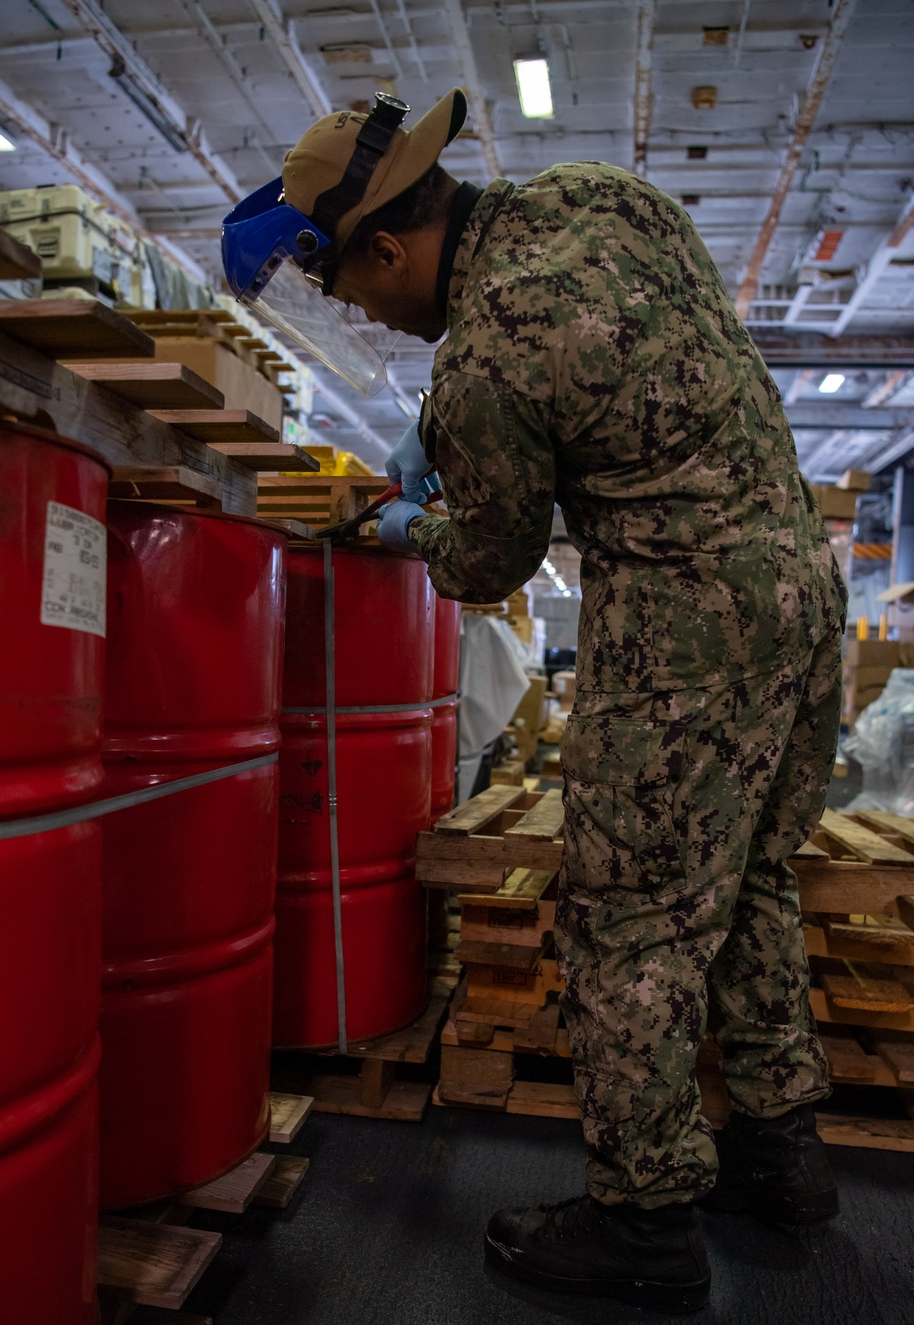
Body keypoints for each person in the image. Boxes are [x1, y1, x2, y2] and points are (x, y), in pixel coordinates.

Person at [223, 89, 847, 1315]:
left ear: (390, 248)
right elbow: (606, 337)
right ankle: (783, 1160)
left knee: (630, 927)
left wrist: (405, 518)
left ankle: (643, 1217)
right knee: (753, 879)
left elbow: (491, 561)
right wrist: (433, 426)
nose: (372, 318)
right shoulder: (595, 195)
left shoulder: (484, 361)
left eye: (355, 291)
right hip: (800, 590)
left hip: (686, 631)